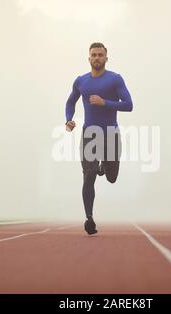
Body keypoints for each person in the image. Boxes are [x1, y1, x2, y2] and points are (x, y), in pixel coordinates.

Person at [65, 42, 133, 235]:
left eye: (100, 55)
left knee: (111, 178)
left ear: (106, 58)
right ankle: (89, 218)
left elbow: (129, 105)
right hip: (89, 134)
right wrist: (68, 120)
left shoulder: (115, 80)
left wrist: (105, 102)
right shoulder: (81, 81)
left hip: (111, 134)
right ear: (89, 58)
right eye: (93, 55)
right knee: (89, 174)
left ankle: (105, 166)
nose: (96, 58)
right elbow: (70, 102)